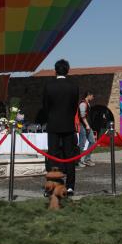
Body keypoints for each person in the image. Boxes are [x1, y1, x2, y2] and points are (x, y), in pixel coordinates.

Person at [41, 59, 79, 196]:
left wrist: (51, 117)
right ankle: (70, 186)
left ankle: (53, 186)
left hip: (53, 124)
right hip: (68, 125)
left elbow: (45, 107)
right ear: (67, 70)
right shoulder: (73, 86)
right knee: (70, 156)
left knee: (53, 156)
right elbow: (75, 106)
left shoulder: (49, 86)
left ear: (55, 70)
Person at [77, 91, 95, 168]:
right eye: (92, 96)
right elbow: (82, 116)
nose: (93, 97)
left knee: (92, 141)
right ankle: (78, 160)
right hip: (83, 126)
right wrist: (87, 125)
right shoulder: (83, 104)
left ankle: (87, 159)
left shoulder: (88, 104)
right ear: (88, 95)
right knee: (82, 143)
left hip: (88, 126)